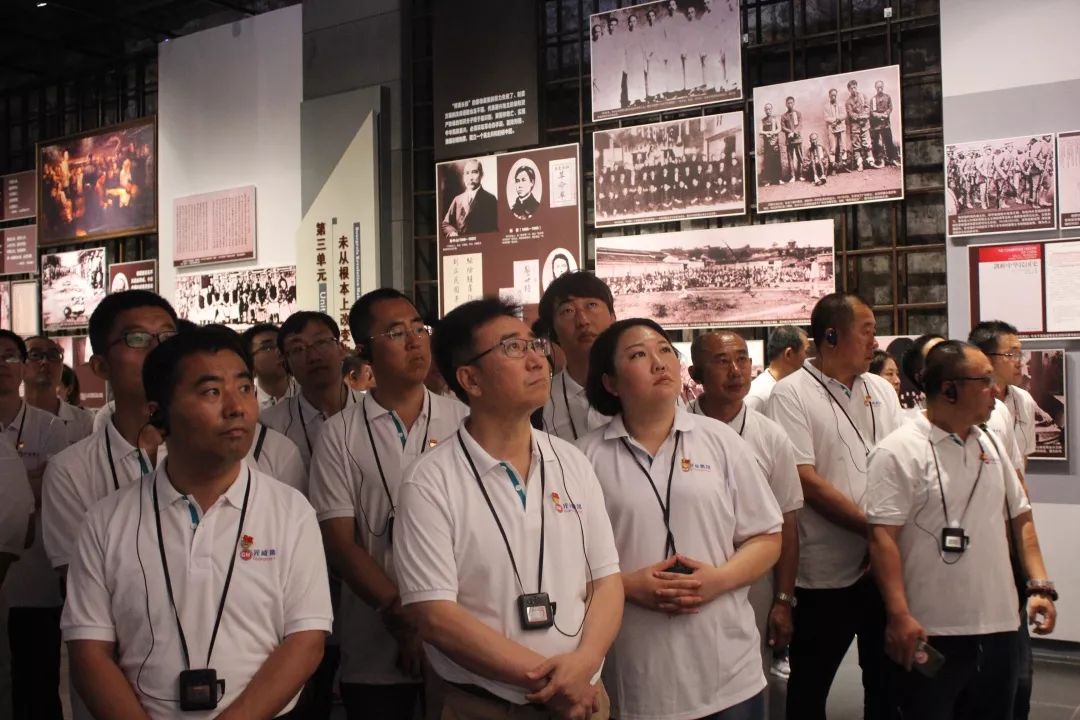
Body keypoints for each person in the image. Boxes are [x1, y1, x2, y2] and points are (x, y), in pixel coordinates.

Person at [61, 327, 333, 720]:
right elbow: (89, 650)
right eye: (211, 392)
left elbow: (306, 639)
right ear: (158, 413)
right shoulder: (107, 521)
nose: (236, 407)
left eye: (245, 388)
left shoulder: (291, 512)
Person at [395, 297, 623, 719]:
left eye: (534, 345)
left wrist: (584, 665)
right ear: (471, 379)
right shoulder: (429, 481)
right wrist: (552, 683)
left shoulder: (571, 461)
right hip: (486, 705)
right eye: (513, 348)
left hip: (584, 696)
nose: (537, 360)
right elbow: (436, 616)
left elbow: (606, 582)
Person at [579, 322, 782, 719]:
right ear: (610, 382)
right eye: (638, 355)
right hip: (635, 674)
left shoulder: (721, 441)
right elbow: (566, 566)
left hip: (728, 671)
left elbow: (766, 536)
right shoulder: (583, 458)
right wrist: (626, 586)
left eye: (665, 350)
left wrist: (718, 580)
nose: (659, 363)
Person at [867, 340, 1056, 719]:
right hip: (932, 628)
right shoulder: (898, 451)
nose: (995, 389)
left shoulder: (991, 443)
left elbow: (1021, 518)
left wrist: (1039, 585)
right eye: (984, 380)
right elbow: (882, 538)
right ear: (949, 389)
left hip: (1000, 624)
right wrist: (898, 614)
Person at [308, 289, 468, 720]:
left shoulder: (463, 421)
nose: (415, 341)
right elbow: (341, 544)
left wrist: (432, 622)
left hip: (461, 639)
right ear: (364, 351)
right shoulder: (339, 434)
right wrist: (402, 616)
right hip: (372, 643)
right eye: (396, 333)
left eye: (419, 328)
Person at [766, 293, 903, 720]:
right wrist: (873, 530)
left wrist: (885, 538)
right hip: (823, 574)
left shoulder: (880, 389)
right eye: (866, 332)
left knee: (886, 683)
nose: (875, 343)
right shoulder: (791, 394)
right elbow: (804, 479)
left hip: (881, 566)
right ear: (830, 336)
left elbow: (900, 466)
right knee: (810, 688)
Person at [688, 331, 803, 690]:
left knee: (749, 682)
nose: (736, 371)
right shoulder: (674, 430)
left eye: (742, 359)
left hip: (755, 580)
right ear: (696, 374)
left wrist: (783, 600)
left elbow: (787, 523)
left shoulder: (770, 436)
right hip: (691, 576)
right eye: (722, 361)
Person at [42, 291, 178, 579]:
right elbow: (81, 583)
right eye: (137, 339)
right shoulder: (71, 471)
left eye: (168, 338)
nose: (158, 351)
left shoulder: (210, 451)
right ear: (101, 366)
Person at [0, 329, 68, 720]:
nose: (3, 365)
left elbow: (52, 490)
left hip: (37, 583)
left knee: (39, 689)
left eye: (10, 356)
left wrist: (11, 488)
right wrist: (28, 482)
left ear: (23, 366)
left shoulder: (50, 427)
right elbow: (34, 490)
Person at [260, 312, 357, 467]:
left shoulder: (376, 411)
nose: (313, 357)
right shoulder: (270, 425)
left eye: (321, 342)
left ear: (341, 349)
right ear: (286, 363)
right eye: (298, 349)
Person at [539, 272, 617, 442]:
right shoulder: (539, 400)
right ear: (553, 332)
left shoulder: (642, 385)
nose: (583, 320)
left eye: (592, 305)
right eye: (568, 310)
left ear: (613, 318)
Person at [968, 321, 1038, 462]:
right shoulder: (966, 402)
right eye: (1011, 354)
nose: (1020, 362)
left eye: (1020, 354)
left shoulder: (1024, 400)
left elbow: (1023, 459)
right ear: (985, 358)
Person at [23, 335, 94, 446]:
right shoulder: (8, 417)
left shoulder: (85, 422)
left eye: (53, 355)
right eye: (35, 355)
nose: (45, 361)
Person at [745, 325, 809, 412]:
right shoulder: (758, 396)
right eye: (806, 352)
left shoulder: (789, 386)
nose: (808, 358)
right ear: (789, 354)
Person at [241, 323, 299, 411]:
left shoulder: (306, 390)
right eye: (268, 348)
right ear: (249, 359)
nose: (280, 352)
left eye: (281, 345)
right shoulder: (244, 400)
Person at [441, 159, 498, 238]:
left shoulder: (490, 199)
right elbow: (445, 224)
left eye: (474, 172)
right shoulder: (457, 199)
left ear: (482, 175)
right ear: (463, 177)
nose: (470, 177)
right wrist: (452, 233)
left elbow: (495, 229)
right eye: (467, 173)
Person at [869, 80, 899, 167]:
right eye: (878, 87)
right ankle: (881, 160)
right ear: (875, 88)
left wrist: (886, 114)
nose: (880, 89)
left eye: (881, 87)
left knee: (889, 140)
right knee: (878, 143)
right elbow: (872, 112)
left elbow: (890, 107)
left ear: (883, 86)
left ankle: (892, 159)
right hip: (877, 125)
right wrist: (880, 116)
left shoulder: (887, 97)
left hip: (886, 123)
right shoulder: (873, 99)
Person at [845, 79, 873, 172]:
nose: (853, 89)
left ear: (857, 87)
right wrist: (858, 117)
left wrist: (863, 116)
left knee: (867, 142)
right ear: (849, 90)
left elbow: (867, 108)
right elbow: (850, 113)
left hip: (865, 123)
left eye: (854, 87)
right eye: (851, 88)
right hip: (855, 125)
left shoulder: (863, 96)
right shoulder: (848, 102)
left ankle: (870, 161)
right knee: (856, 144)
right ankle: (859, 164)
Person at [760, 103, 784, 186]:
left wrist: (773, 132)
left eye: (769, 109)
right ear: (764, 110)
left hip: (774, 142)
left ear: (771, 109)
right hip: (767, 143)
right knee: (768, 161)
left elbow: (779, 128)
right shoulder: (762, 120)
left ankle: (779, 179)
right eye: (766, 109)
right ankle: (769, 180)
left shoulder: (775, 118)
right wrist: (767, 133)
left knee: (776, 160)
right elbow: (760, 130)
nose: (768, 111)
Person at [781, 96, 804, 183]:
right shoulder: (784, 116)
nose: (790, 104)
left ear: (794, 103)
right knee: (790, 158)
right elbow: (783, 127)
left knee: (800, 157)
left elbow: (800, 125)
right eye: (788, 103)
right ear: (786, 104)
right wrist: (790, 132)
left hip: (797, 139)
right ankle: (792, 176)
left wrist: (794, 132)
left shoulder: (798, 113)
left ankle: (800, 175)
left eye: (791, 103)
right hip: (789, 140)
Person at [824, 88, 847, 173]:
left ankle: (844, 165)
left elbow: (844, 114)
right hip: (832, 128)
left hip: (841, 127)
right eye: (831, 95)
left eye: (834, 95)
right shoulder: (826, 106)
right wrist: (833, 122)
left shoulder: (841, 104)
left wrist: (837, 120)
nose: (833, 97)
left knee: (843, 146)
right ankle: (833, 166)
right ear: (829, 96)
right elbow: (826, 117)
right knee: (833, 147)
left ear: (836, 95)